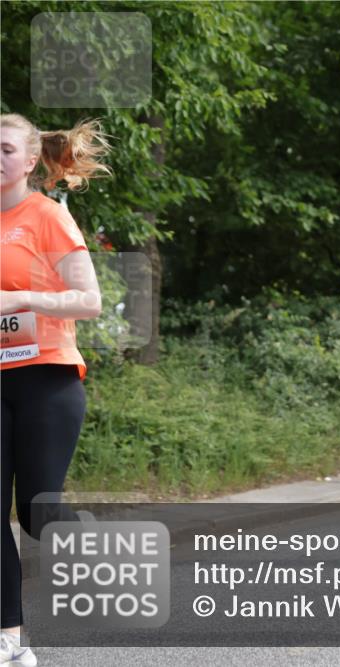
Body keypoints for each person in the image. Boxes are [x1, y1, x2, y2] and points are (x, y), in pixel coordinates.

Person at [2, 114, 110, 666]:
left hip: (46, 375)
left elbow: (89, 301)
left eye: (4, 149)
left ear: (28, 160)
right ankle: (11, 641)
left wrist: (23, 300)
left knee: (38, 517)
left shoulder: (46, 217)